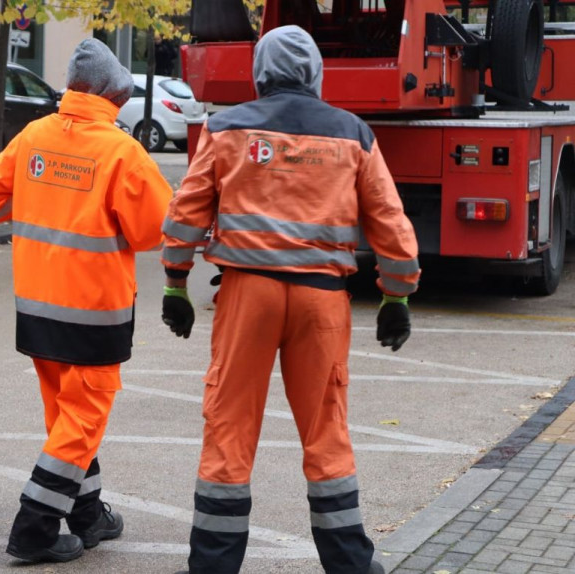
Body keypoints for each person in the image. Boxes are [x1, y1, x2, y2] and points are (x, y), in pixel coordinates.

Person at [160, 25, 419, 574]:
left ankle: (213, 566)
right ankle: (350, 565)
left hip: (246, 295)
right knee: (327, 431)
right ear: (316, 74)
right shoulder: (353, 133)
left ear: (259, 72)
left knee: (229, 428)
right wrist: (396, 297)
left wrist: (175, 282)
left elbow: (187, 211)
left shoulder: (225, 127)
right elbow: (390, 222)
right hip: (321, 300)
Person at [0, 38, 173, 564]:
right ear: (113, 95)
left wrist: (41, 196)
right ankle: (34, 529)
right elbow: (153, 230)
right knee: (81, 423)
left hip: (38, 308)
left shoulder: (35, 135)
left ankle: (87, 516)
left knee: (66, 419)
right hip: (93, 315)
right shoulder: (121, 152)